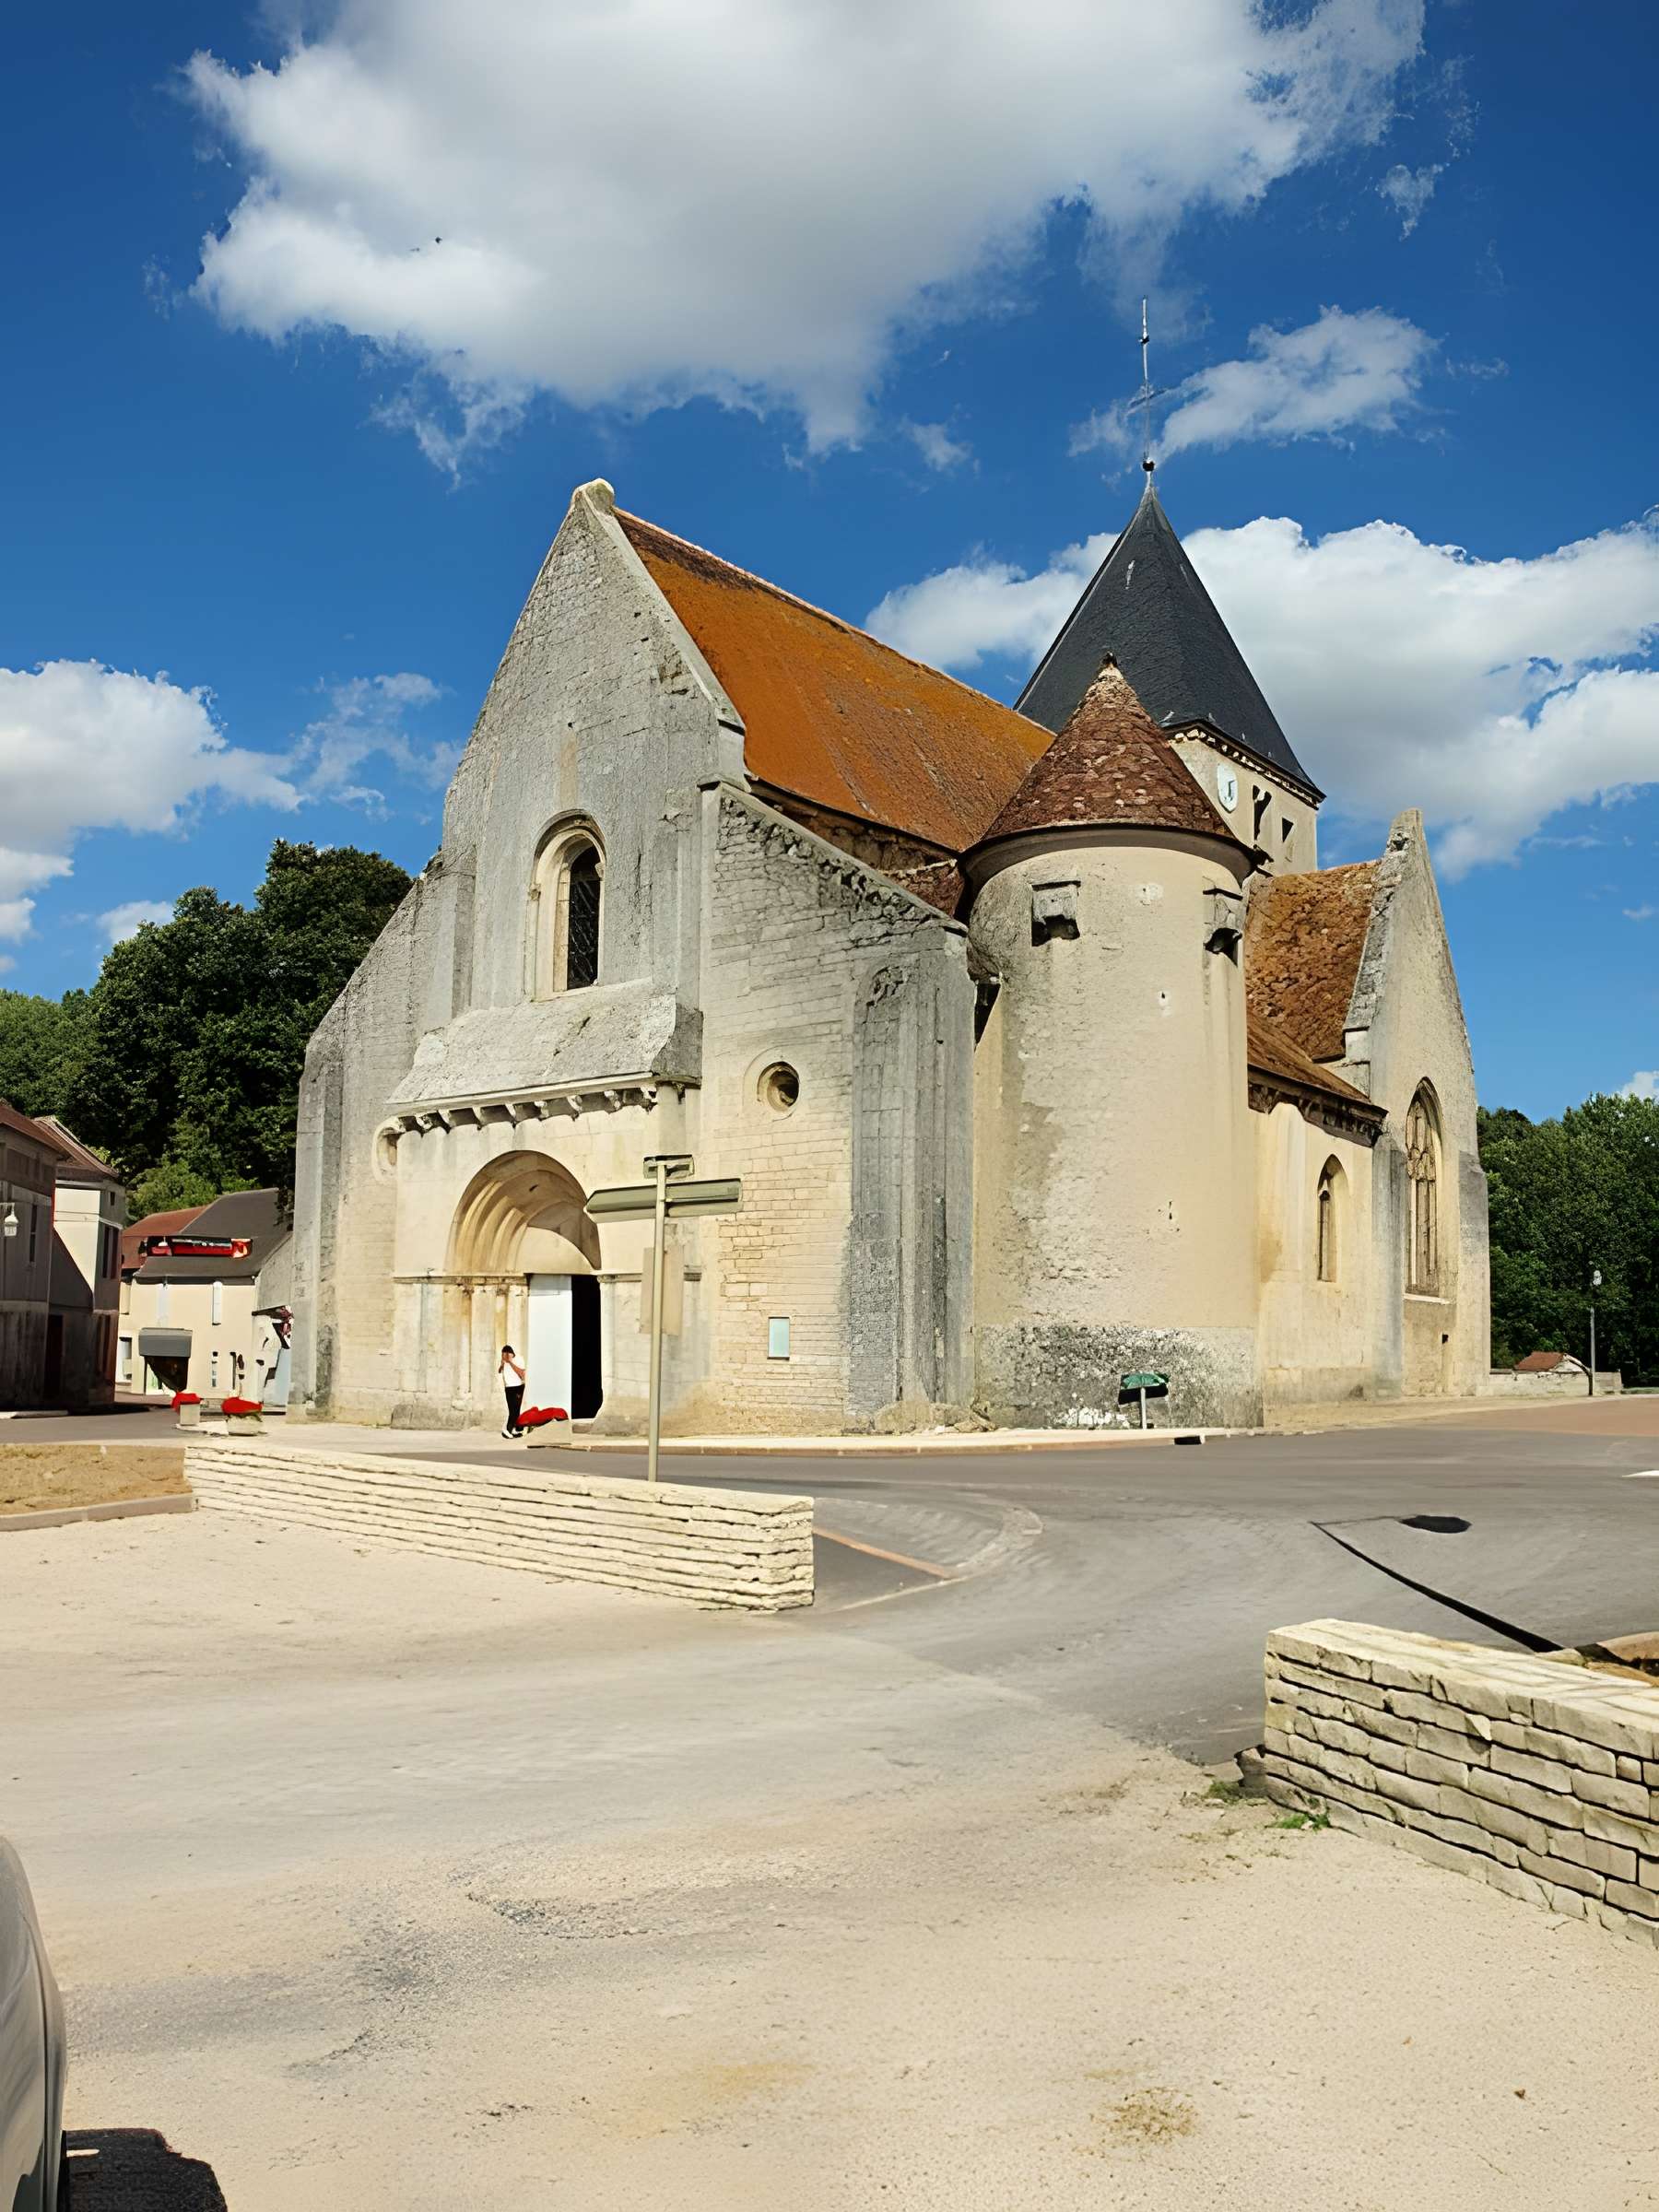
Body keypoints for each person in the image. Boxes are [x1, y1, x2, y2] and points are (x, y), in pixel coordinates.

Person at [499, 1345, 526, 1437]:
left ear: (511, 1354)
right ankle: (513, 1429)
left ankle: (508, 1429)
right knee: (512, 1410)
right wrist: (502, 1364)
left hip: (518, 1387)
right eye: (503, 1356)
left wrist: (510, 1362)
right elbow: (500, 1371)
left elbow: (521, 1374)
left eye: (506, 1356)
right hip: (508, 1388)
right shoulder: (504, 1360)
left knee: (516, 1410)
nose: (504, 1358)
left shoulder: (519, 1359)